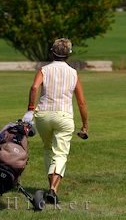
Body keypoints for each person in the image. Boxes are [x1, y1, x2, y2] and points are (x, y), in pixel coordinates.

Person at [27, 38, 88, 205]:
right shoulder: (74, 73)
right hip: (64, 116)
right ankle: (53, 190)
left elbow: (34, 88)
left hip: (43, 115)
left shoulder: (44, 70)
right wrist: (85, 125)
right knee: (60, 153)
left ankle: (51, 189)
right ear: (69, 55)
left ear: (52, 52)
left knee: (48, 149)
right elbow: (81, 102)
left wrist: (30, 110)